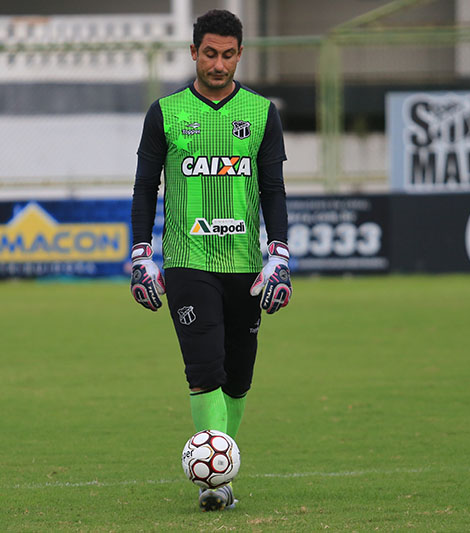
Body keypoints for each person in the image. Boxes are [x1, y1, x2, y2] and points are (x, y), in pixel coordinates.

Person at [129, 8, 292, 512]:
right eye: (209, 54)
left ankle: (221, 460)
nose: (218, 64)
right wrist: (141, 252)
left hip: (244, 264)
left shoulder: (262, 113)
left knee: (239, 377)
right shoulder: (166, 112)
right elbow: (144, 187)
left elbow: (273, 189)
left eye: (227, 55)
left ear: (239, 54)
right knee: (205, 370)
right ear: (193, 51)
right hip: (187, 262)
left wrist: (279, 254)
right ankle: (215, 484)